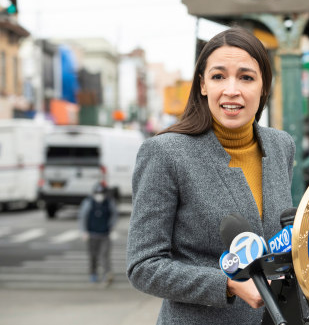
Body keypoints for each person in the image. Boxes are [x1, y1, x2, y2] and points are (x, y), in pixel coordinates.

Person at [126, 27, 295, 325]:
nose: (232, 90)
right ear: (202, 85)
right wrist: (227, 285)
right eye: (219, 77)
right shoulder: (165, 153)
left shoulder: (281, 145)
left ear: (264, 87)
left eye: (246, 77)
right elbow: (143, 266)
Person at [79, 182, 118, 285]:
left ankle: (107, 274)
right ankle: (93, 273)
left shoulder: (109, 202)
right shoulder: (88, 202)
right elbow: (83, 217)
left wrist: (112, 227)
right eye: (97, 193)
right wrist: (84, 231)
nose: (99, 195)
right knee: (93, 256)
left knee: (105, 255)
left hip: (105, 234)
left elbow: (114, 215)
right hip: (92, 234)